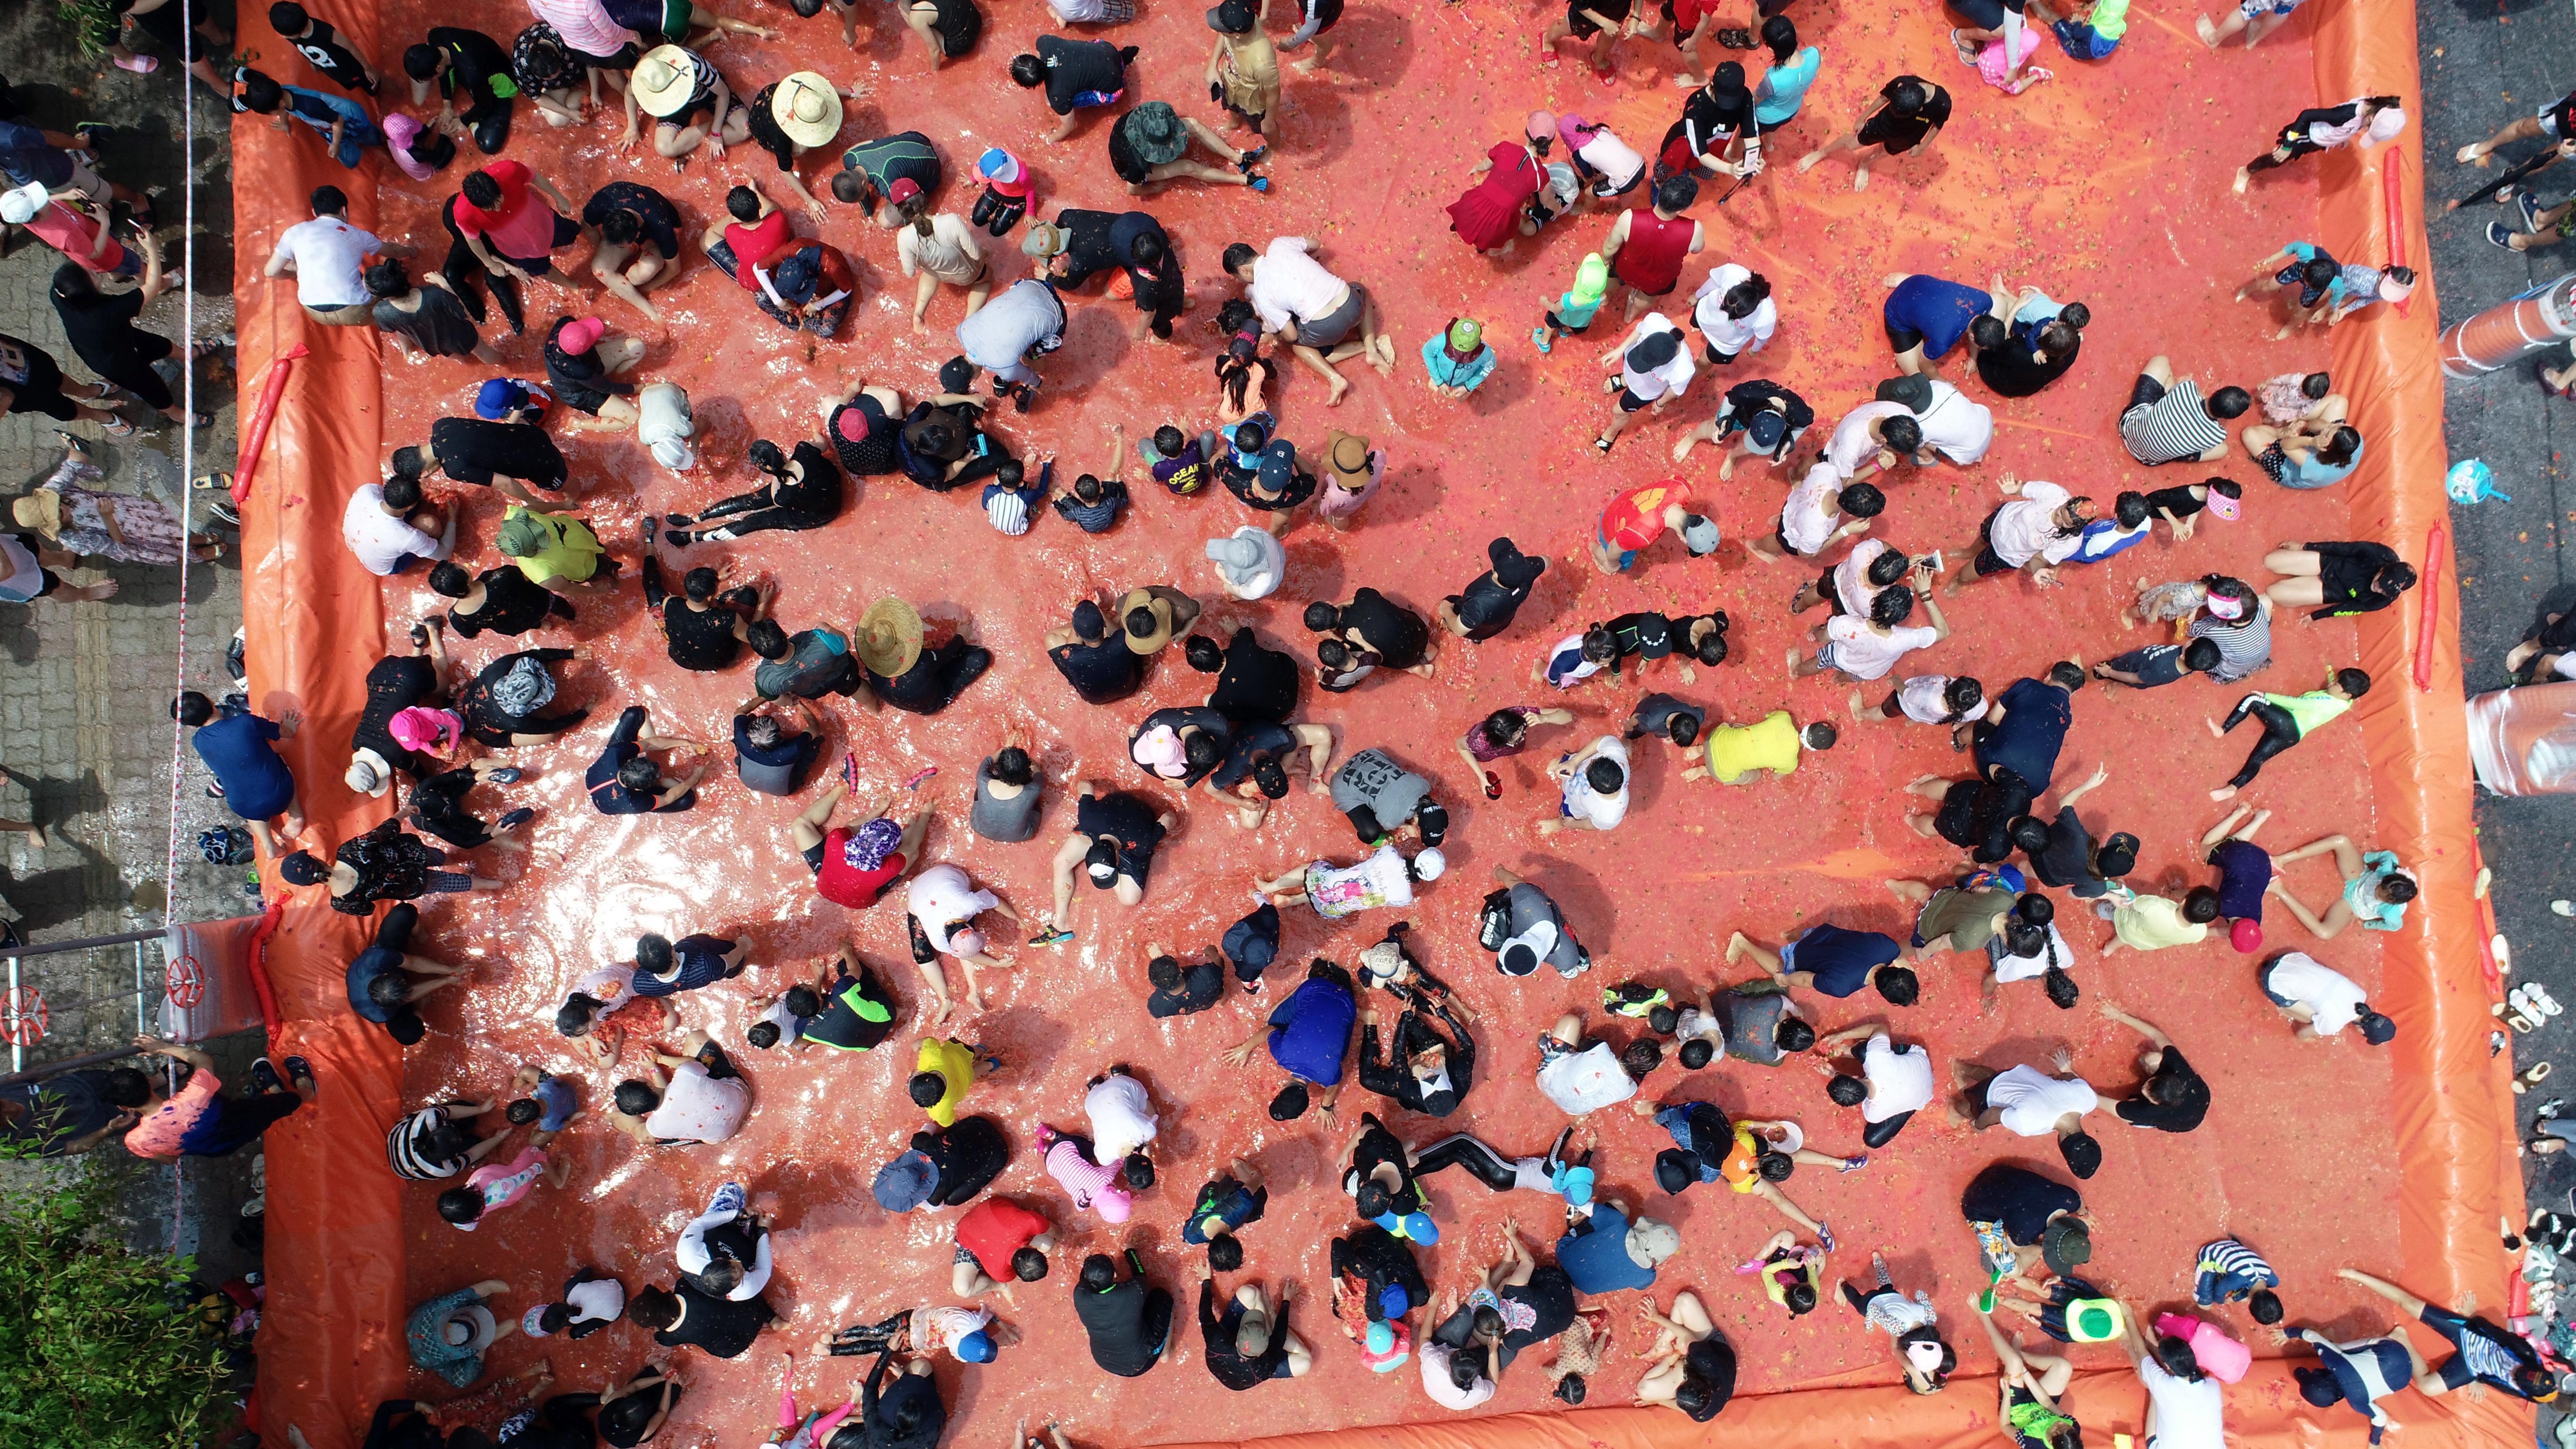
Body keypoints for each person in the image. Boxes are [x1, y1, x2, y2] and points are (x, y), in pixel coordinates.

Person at [123, 1035, 313, 1162]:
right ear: (149, 1083)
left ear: (124, 1107)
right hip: (241, 1119)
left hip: (220, 1148)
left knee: (257, 1113)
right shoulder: (194, 1096)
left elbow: (171, 1159)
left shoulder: (136, 1141)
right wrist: (161, 1047)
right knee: (275, 1107)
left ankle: (275, 1092)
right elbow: (202, 1060)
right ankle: (304, 1093)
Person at [2206, 666, 2370, 801]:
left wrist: (2266, 696)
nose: (2332, 683)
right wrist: (2329, 671)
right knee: (2258, 758)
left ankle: (2223, 729)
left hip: (2289, 723)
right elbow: (2334, 688)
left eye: (2336, 684)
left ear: (2346, 694)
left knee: (2253, 701)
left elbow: (2296, 703)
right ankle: (2233, 788)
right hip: (2293, 736)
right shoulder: (2346, 701)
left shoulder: (2327, 705)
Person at [175, 692, 305, 854]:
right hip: (278, 794)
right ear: (210, 701)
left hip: (242, 805)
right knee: (280, 763)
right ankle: (295, 816)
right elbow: (285, 733)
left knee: (248, 797)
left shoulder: (198, 741)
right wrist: (289, 727)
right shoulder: (245, 723)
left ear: (191, 725)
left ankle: (268, 844)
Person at [264, 185, 411, 326]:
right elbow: (394, 251)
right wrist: (412, 251)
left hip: (313, 311)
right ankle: (405, 341)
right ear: (344, 210)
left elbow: (271, 271)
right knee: (395, 299)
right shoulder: (358, 235)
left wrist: (293, 274)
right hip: (355, 310)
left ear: (315, 213)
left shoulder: (294, 232)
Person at [1953, 1055, 2102, 1177]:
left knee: (1992, 1076)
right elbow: (1992, 1113)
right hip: (1991, 1095)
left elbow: (2068, 1076)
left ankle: (1960, 1067)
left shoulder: (2089, 1099)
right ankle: (1952, 1104)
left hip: (2018, 1073)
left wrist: (2054, 1082)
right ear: (2063, 1146)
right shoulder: (2030, 1125)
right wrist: (1979, 1126)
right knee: (1971, 1111)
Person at [1797, 75, 1951, 189]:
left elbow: (1937, 125)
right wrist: (1863, 118)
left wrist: (1922, 146)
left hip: (1908, 138)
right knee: (1852, 144)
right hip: (1882, 125)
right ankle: (1822, 153)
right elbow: (1883, 99)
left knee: (1884, 152)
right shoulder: (1903, 82)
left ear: (1920, 110)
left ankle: (1865, 163)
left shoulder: (1943, 103)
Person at [2283, 1324, 2426, 1441]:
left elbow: (2381, 1418)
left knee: (2343, 1357)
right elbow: (2312, 1336)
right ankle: (2393, 1337)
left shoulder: (2357, 1403)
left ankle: (2339, 1348)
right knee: (2337, 1349)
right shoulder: (2335, 1362)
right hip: (2393, 1350)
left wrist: (2375, 1442)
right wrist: (2287, 1333)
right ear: (2319, 1373)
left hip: (2404, 1379)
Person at [233, 67, 386, 168]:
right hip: (328, 124)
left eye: (271, 113)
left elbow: (338, 121)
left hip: (349, 119)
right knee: (350, 161)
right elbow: (283, 110)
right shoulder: (282, 93)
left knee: (373, 137)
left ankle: (381, 142)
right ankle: (361, 147)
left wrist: (335, 144)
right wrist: (284, 123)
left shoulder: (309, 106)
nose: (274, 115)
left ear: (280, 103)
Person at [612, 1038, 755, 1146]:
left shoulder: (655, 1128)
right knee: (695, 1039)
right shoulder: (685, 1074)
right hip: (743, 1097)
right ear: (647, 1084)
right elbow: (690, 1064)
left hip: (723, 1135)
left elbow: (666, 1098)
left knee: (641, 1136)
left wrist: (653, 1069)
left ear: (642, 1113)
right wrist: (658, 1059)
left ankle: (610, 1117)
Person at [1446, 116, 1551, 258]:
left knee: (1465, 219)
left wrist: (1476, 169)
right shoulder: (1541, 175)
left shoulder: (1505, 148)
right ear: (1548, 145)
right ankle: (1494, 250)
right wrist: (1557, 209)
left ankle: (1458, 226)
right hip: (1498, 226)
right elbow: (1546, 202)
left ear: (1526, 133)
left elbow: (1485, 165)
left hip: (1471, 208)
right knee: (1499, 238)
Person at [585, 704, 709, 816]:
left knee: (636, 714)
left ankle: (663, 779)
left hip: (605, 769)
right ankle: (663, 783)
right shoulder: (634, 803)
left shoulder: (616, 754)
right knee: (687, 800)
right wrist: (696, 777)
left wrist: (685, 743)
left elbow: (648, 745)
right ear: (642, 789)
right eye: (658, 776)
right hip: (618, 800)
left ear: (630, 761)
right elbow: (668, 798)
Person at [406, 26, 512, 155]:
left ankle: (475, 125)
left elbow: (485, 104)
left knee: (489, 145)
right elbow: (443, 72)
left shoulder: (472, 73)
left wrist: (464, 121)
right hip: (471, 58)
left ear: (438, 68)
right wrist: (447, 105)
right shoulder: (435, 36)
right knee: (447, 72)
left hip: (499, 80)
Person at [1073, 1247, 1174, 1377]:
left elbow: (1085, 1278)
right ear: (1115, 1275)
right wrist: (1130, 1252)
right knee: (1162, 1296)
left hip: (1103, 1361)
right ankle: (1165, 1353)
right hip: (1140, 1363)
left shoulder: (1079, 1295)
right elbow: (1141, 1275)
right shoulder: (1132, 1292)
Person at [1201, 1275, 1310, 1389]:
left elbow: (1204, 1314)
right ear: (1263, 1353)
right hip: (1252, 1372)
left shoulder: (1217, 1341)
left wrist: (1206, 1279)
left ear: (1238, 1339)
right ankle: (1270, 1323)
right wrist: (1286, 1301)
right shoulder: (1265, 1367)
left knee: (1249, 1292)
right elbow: (1280, 1335)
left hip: (1228, 1357)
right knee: (1305, 1362)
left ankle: (1268, 1324)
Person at [1683, 711, 1837, 786]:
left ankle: (1700, 750)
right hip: (1719, 771)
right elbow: (1776, 777)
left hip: (1712, 739)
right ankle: (1704, 771)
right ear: (1814, 749)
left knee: (1743, 729)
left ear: (1809, 726)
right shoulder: (1791, 763)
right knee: (1758, 775)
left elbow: (1767, 715)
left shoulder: (1785, 718)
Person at [1205, 0, 1283, 144]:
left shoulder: (1262, 62)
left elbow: (1274, 93)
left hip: (1253, 103)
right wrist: (1212, 65)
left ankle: (1274, 146)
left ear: (1237, 35)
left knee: (1265, 129)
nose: (1219, 30)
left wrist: (1269, 121)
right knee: (1232, 107)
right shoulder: (1240, 18)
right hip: (1230, 84)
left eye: (1221, 27)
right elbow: (1224, 34)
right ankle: (1235, 122)